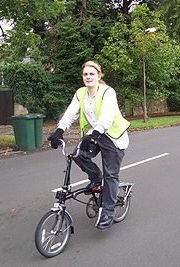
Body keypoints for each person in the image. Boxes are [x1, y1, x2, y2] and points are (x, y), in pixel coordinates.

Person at [48, 60, 130, 230]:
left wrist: (96, 132)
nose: (88, 77)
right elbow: (70, 113)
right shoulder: (80, 94)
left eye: (92, 74)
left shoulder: (108, 92)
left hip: (112, 136)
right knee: (78, 155)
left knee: (111, 176)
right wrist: (59, 131)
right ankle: (95, 178)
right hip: (95, 134)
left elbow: (107, 115)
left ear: (99, 76)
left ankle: (107, 212)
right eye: (85, 74)